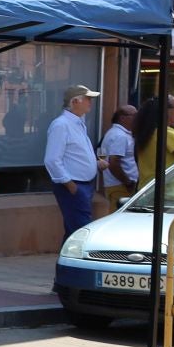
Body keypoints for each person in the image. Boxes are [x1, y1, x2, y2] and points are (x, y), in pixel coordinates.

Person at [44, 83, 101, 236]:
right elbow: (52, 159)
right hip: (74, 186)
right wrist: (69, 184)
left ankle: (65, 261)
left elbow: (75, 154)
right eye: (87, 99)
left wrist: (95, 164)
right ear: (75, 102)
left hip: (82, 185)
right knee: (81, 232)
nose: (90, 102)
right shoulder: (61, 125)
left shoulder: (77, 123)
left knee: (74, 231)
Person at [134, 95, 174, 187]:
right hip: (170, 191)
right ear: (165, 110)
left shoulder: (150, 130)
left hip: (149, 188)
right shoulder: (165, 131)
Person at [99, 104, 139, 209]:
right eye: (134, 115)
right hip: (121, 186)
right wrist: (128, 182)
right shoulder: (119, 136)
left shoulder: (120, 134)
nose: (137, 118)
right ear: (122, 117)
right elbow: (114, 163)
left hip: (121, 185)